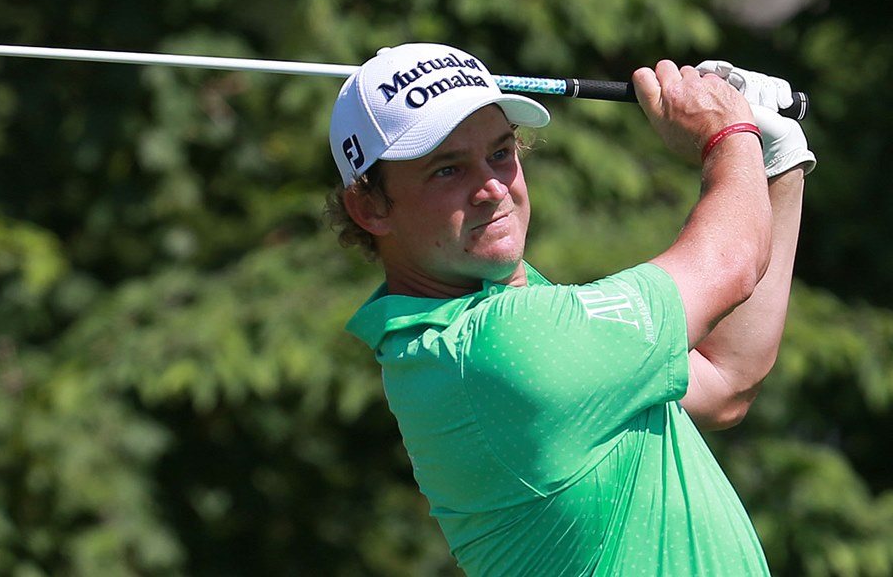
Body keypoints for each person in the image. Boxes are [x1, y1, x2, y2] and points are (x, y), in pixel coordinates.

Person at [325, 43, 814, 576]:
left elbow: (725, 380)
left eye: (500, 152)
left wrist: (775, 161)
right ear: (369, 206)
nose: (492, 188)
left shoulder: (491, 319)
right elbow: (730, 262)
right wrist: (726, 135)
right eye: (446, 171)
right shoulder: (497, 346)